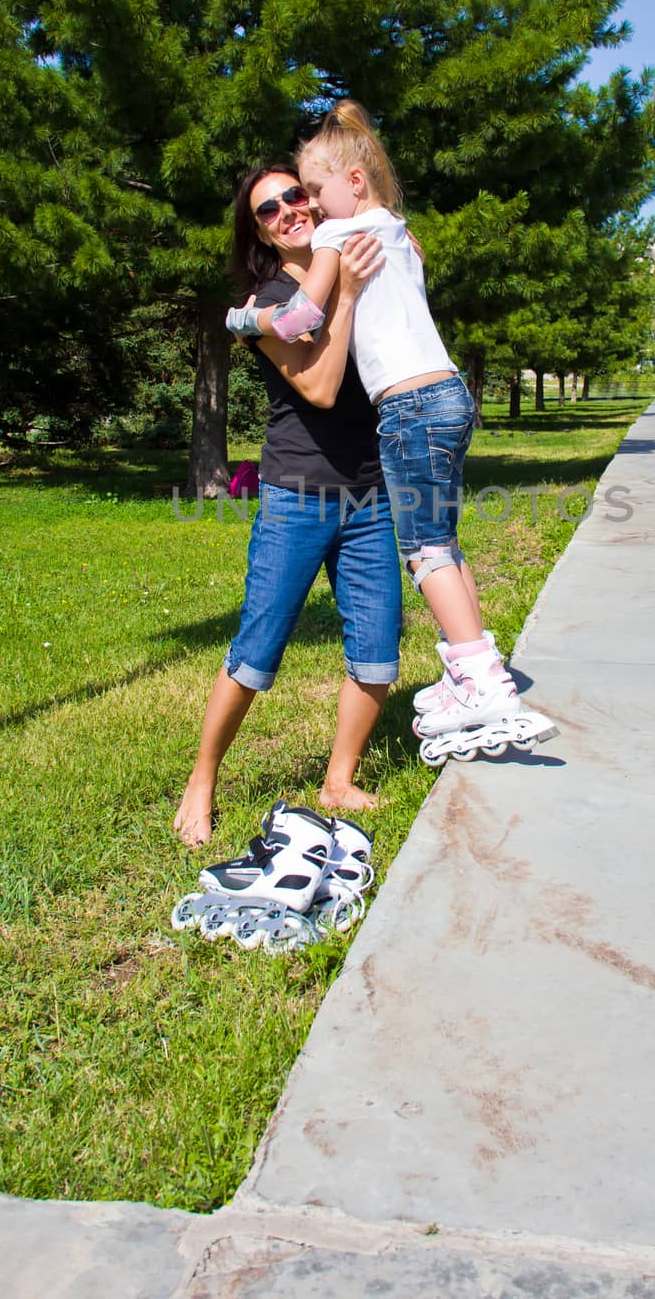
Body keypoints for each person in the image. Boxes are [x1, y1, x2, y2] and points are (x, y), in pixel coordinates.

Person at [225, 102, 526, 745]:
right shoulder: (394, 228)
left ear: (350, 183)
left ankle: (480, 679)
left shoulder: (337, 238)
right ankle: (479, 661)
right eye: (275, 206)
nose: (303, 206)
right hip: (449, 398)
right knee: (443, 538)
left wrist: (242, 320)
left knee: (425, 550)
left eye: (307, 192)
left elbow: (303, 321)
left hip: (409, 406)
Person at [173, 165, 401, 848]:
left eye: (293, 196)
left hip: (370, 492)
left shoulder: (357, 259)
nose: (285, 212)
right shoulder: (267, 303)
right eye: (267, 210)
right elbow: (323, 387)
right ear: (260, 231)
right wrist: (351, 297)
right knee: (257, 648)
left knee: (378, 649)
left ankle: (338, 779)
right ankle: (202, 780)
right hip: (296, 496)